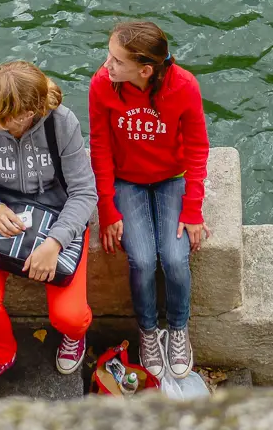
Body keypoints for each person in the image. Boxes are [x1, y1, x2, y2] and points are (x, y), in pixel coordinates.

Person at [0, 61, 97, 395]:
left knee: (71, 317)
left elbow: (84, 192)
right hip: (1, 212)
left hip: (58, 215)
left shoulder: (62, 124)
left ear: (27, 114)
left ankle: (75, 338)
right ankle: (2, 353)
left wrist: (55, 243)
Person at [89, 21, 210, 380]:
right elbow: (100, 146)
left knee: (175, 257)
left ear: (144, 70)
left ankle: (177, 328)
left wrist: (193, 208)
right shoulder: (102, 85)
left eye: (115, 60)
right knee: (141, 258)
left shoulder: (184, 86)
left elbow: (198, 148)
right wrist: (107, 208)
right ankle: (147, 330)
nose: (106, 65)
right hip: (127, 181)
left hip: (171, 179)